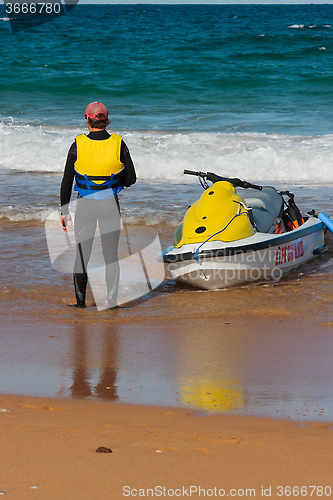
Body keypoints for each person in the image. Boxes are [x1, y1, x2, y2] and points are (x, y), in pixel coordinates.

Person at [60, 102, 136, 308]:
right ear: (106, 120)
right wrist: (116, 182)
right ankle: (111, 303)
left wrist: (64, 210)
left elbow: (67, 180)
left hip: (85, 206)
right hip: (110, 206)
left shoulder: (77, 144)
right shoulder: (119, 143)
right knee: (111, 256)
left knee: (82, 255)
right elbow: (131, 179)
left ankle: (81, 304)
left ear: (87, 119)